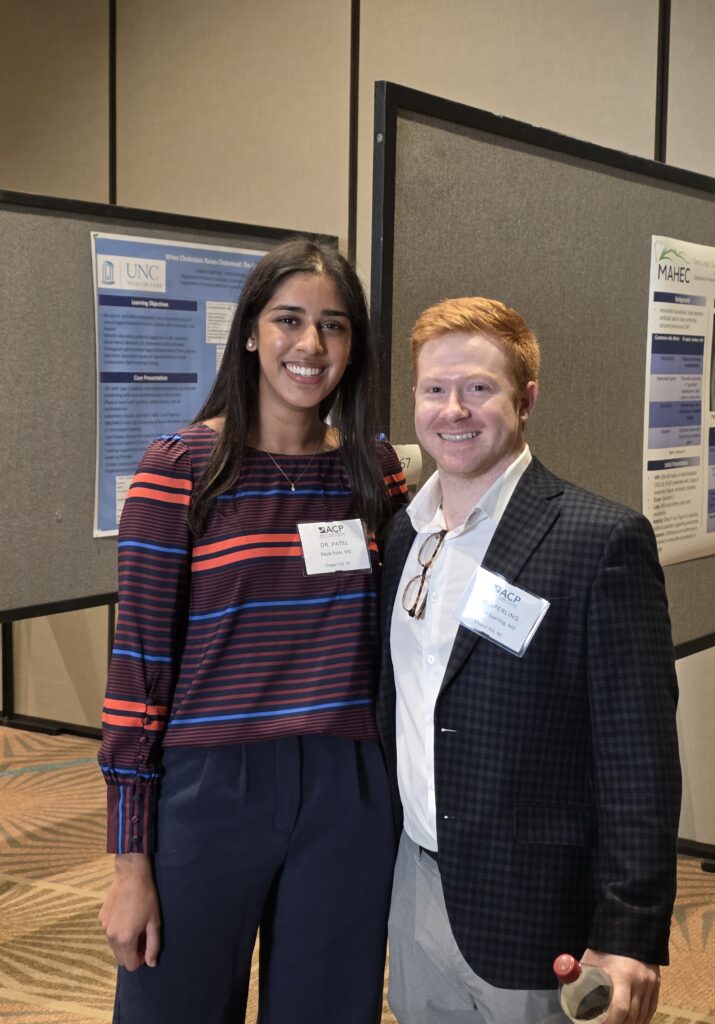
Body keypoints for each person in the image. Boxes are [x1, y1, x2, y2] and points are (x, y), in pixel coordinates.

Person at [97, 238, 408, 1024]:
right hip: (211, 785)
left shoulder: (375, 473)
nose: (311, 345)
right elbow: (137, 671)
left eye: (334, 326)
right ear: (248, 333)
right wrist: (130, 862)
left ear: (354, 346)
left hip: (348, 788)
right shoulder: (180, 469)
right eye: (289, 320)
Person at [376, 297, 682, 1024]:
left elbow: (639, 755)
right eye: (434, 388)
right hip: (417, 881)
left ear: (526, 399)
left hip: (537, 904)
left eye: (479, 388)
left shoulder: (599, 541)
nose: (454, 409)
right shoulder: (404, 535)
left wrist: (628, 930)